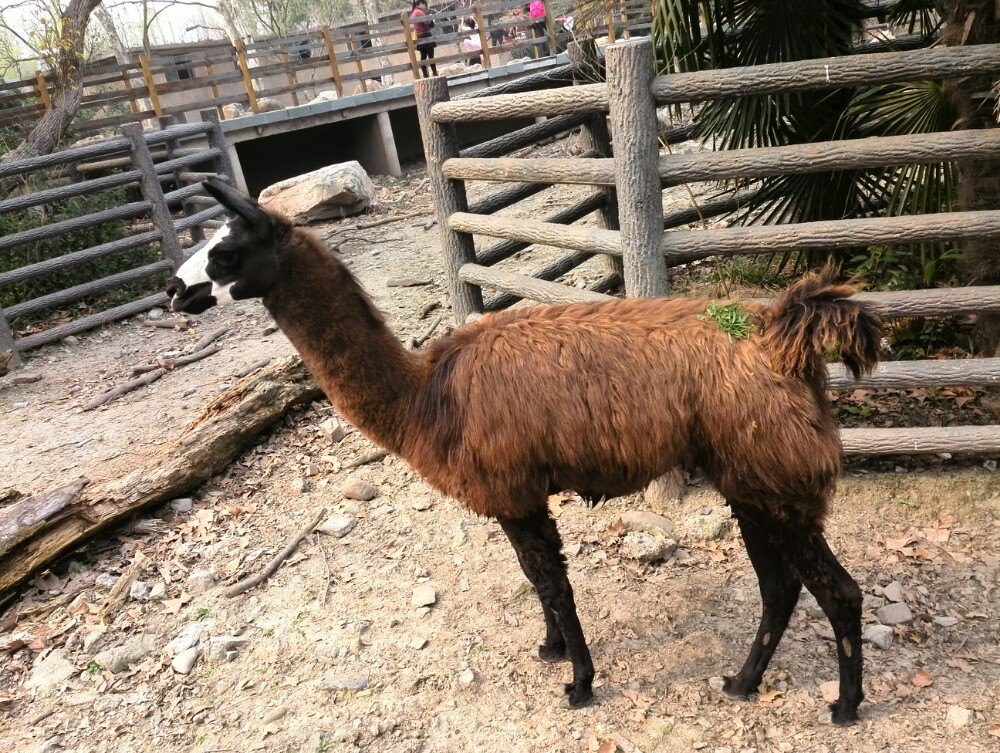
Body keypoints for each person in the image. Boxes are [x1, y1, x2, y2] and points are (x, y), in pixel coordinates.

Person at [410, 0, 437, 78]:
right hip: (426, 36)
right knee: (431, 56)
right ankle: (435, 73)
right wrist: (431, 19)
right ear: (421, 4)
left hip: (419, 37)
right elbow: (428, 23)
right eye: (425, 5)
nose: (425, 7)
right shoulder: (419, 12)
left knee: (423, 56)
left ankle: (425, 74)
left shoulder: (413, 13)